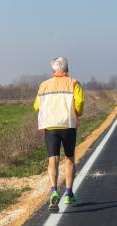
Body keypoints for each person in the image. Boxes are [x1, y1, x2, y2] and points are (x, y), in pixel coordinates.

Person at [33, 57, 84, 212]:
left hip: (50, 126)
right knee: (69, 158)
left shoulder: (44, 85)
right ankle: (68, 193)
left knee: (53, 159)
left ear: (53, 70)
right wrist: (77, 113)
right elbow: (79, 103)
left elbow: (36, 106)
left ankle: (54, 189)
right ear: (67, 69)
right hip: (68, 125)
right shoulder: (74, 83)